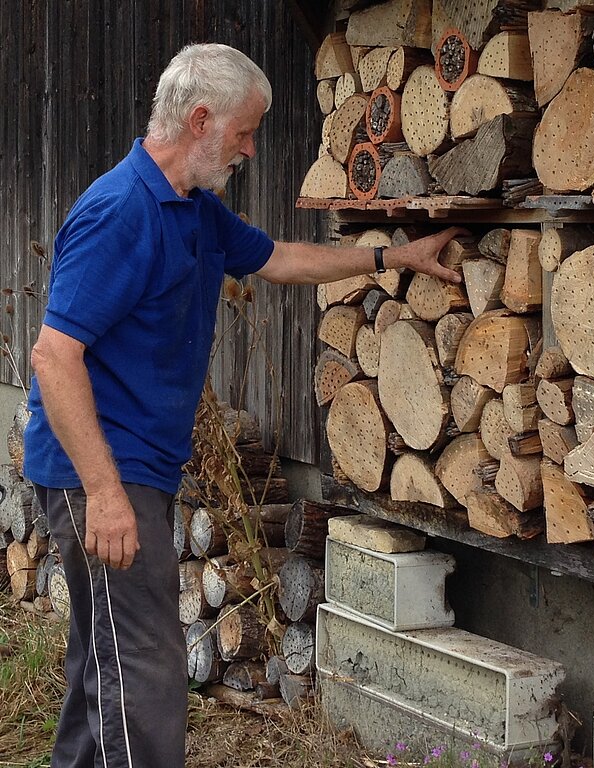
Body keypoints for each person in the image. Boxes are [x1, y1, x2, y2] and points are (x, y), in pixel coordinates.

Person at [23, 43, 463, 768]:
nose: (251, 150)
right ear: (200, 120)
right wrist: (102, 493)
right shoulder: (119, 212)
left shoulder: (194, 210)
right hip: (99, 471)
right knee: (145, 675)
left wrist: (389, 258)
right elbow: (53, 355)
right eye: (245, 132)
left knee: (105, 666)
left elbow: (280, 260)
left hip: (137, 469)